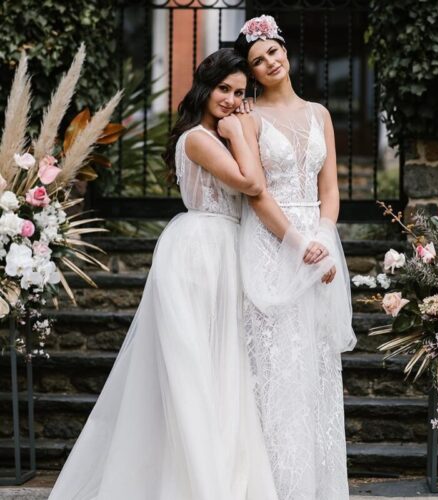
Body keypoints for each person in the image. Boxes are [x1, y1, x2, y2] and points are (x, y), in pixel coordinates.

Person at [48, 48, 278, 500]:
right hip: (196, 251)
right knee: (188, 365)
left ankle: (217, 467)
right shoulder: (197, 138)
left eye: (240, 93)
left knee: (221, 364)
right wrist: (240, 130)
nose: (232, 100)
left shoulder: (222, 136)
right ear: (205, 87)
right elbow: (253, 184)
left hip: (226, 251)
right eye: (224, 89)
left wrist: (237, 132)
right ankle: (193, 481)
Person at [233, 15, 357, 500]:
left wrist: (324, 237)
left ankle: (318, 486)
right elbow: (256, 194)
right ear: (252, 72)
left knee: (316, 365)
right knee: (278, 367)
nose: (270, 62)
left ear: (286, 51)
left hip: (319, 241)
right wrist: (296, 244)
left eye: (273, 52)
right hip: (273, 243)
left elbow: (330, 188)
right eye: (258, 61)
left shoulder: (319, 112)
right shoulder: (248, 119)